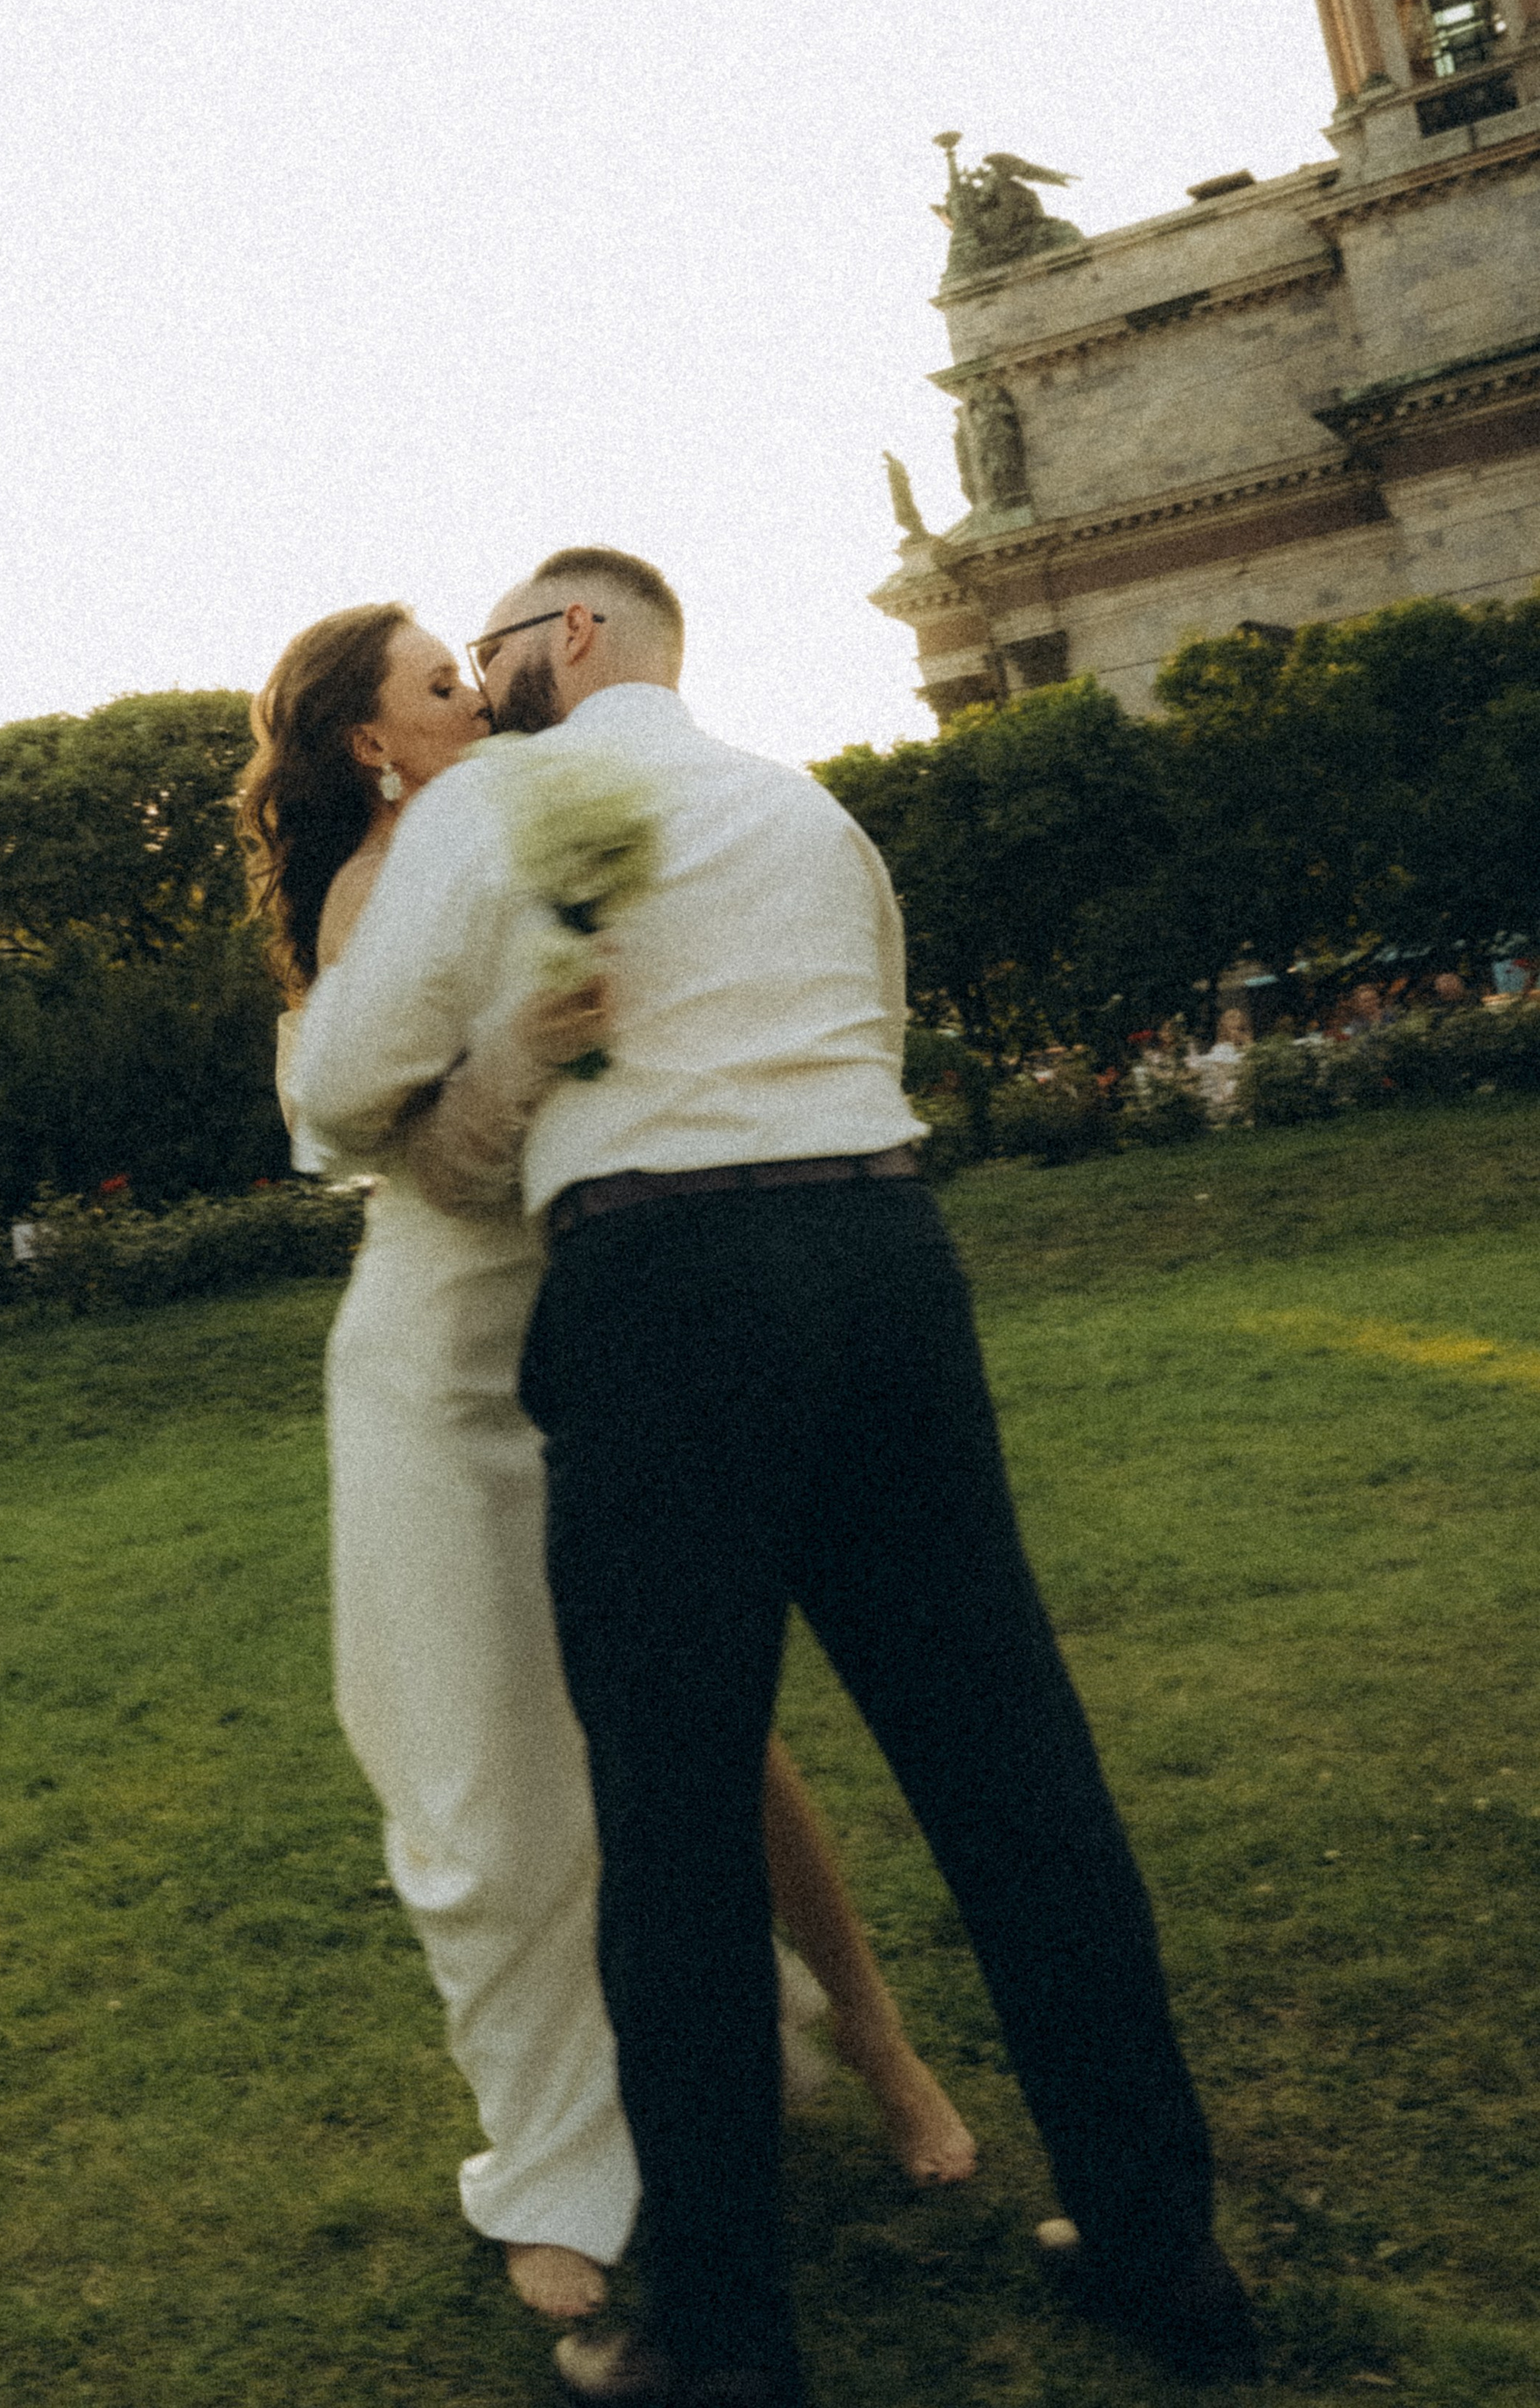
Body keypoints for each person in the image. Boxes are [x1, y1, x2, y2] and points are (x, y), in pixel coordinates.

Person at [296, 549, 1259, 2403]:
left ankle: (725, 2342)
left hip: (665, 1292)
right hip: (889, 1264)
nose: (479, 682)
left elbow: (341, 1087)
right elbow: (873, 1030)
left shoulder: (493, 799)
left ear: (566, 641)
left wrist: (522, 1039)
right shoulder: (805, 807)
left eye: (491, 647)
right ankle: (1162, 2250)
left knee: (665, 1820)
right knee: (1015, 1778)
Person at [238, 602, 976, 2329]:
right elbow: (414, 1163)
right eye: (439, 686)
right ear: (369, 743)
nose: (478, 700)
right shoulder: (377, 887)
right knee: (488, 1800)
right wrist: (526, 1053)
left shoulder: (546, 821)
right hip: (442, 1375)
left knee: (715, 1738)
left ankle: (874, 2046)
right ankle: (557, 2160)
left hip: (610, 1334)